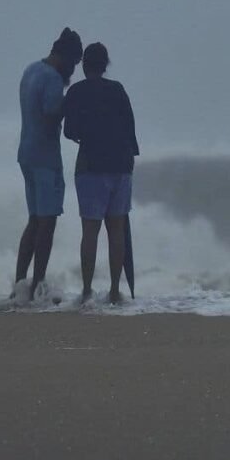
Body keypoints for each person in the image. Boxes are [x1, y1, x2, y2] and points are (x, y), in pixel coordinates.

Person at [63, 42, 139, 304]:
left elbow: (69, 131)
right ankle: (116, 290)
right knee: (117, 229)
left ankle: (86, 290)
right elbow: (130, 129)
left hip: (91, 166)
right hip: (120, 165)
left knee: (90, 230)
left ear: (84, 65)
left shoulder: (76, 92)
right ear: (106, 65)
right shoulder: (117, 90)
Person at [15, 27, 84, 300]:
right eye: (74, 64)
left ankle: (20, 282)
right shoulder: (53, 79)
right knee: (47, 222)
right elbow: (52, 111)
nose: (73, 71)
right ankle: (38, 285)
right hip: (45, 157)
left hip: (26, 152)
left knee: (34, 220)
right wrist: (75, 104)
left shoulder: (31, 70)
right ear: (65, 57)